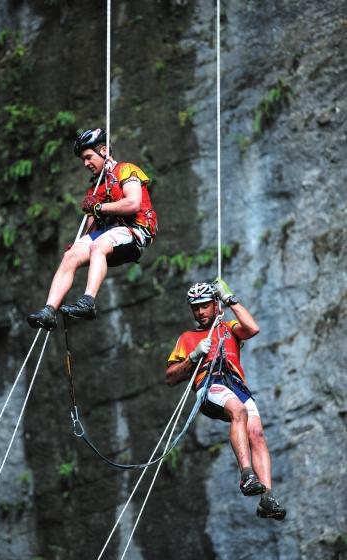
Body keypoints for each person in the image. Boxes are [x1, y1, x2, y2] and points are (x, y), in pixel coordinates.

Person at [166, 278, 286, 520]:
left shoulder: (229, 328)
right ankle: (246, 475)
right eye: (195, 307)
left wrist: (230, 298)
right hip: (210, 383)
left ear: (214, 305)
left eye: (204, 305)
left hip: (236, 384)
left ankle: (267, 499)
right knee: (238, 411)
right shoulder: (187, 337)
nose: (200, 312)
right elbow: (170, 377)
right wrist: (192, 356)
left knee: (257, 434)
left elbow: (252, 329)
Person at [27, 128, 157, 330]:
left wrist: (98, 207)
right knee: (70, 255)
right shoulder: (95, 187)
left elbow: (133, 203)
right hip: (110, 235)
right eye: (83, 160)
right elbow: (93, 222)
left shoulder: (126, 170)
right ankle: (49, 311)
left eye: (88, 157)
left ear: (104, 150)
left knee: (98, 246)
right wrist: (81, 243)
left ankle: (88, 301)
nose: (86, 164)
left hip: (135, 231)